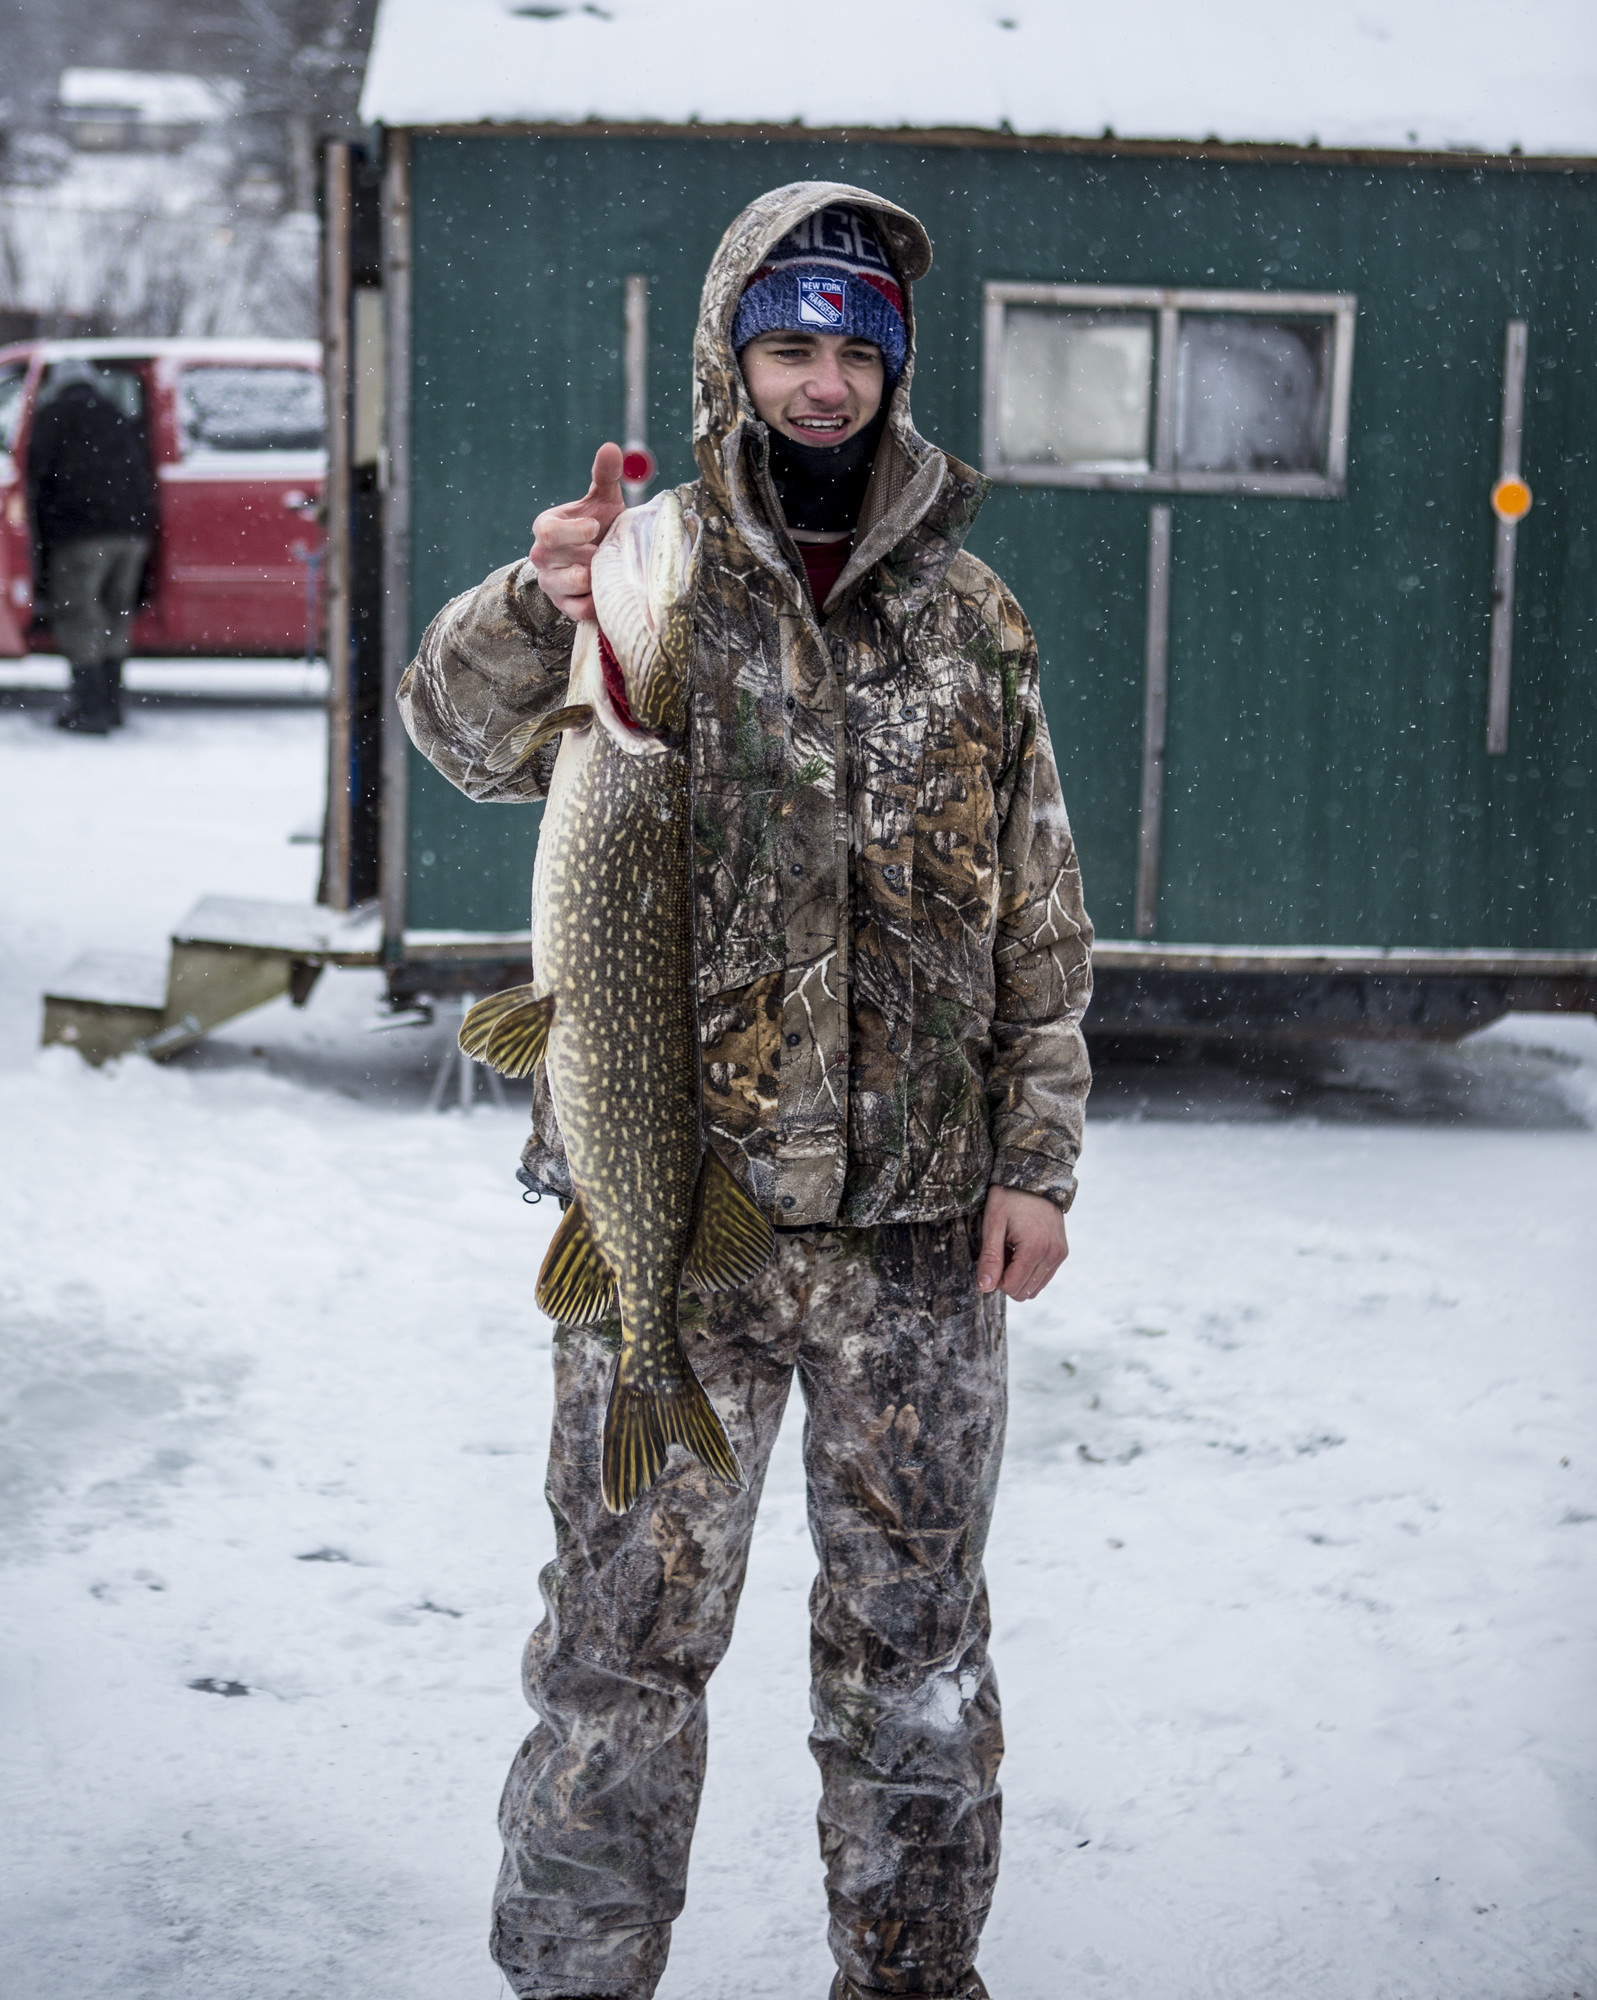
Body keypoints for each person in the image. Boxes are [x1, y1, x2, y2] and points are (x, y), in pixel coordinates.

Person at [399, 182, 1094, 2000]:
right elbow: (463, 737)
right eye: (789, 344)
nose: (823, 381)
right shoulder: (646, 583)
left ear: (894, 368)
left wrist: (1038, 1158)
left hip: (916, 1247)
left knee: (916, 1661)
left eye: (855, 350)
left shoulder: (972, 617)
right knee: (619, 1656)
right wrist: (525, 598)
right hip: (669, 1227)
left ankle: (911, 1976)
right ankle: (577, 1979)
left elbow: (1037, 912)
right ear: (732, 353)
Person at [25, 359, 157, 733]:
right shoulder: (118, 413)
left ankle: (90, 709)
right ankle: (113, 704)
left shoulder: (56, 415)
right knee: (116, 613)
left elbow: (35, 470)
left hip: (83, 534)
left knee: (80, 616)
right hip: (132, 534)